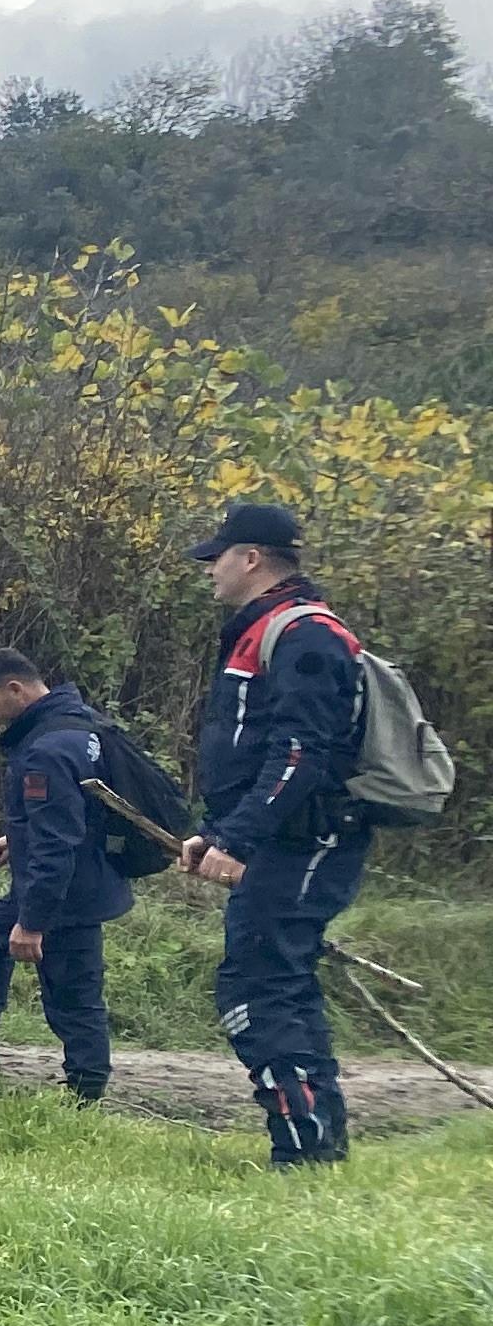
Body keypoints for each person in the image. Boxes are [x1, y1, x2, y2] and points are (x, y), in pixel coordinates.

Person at [179, 499, 376, 1165]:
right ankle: (318, 1146)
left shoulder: (306, 635)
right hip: (279, 838)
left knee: (259, 986)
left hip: (307, 841)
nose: (209, 570)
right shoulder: (264, 630)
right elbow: (254, 751)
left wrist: (239, 839)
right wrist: (216, 831)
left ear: (252, 558)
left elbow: (299, 753)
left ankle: (302, 1150)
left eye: (217, 558)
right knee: (277, 982)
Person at [0, 650, 124, 1101]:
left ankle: (86, 1092)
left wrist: (32, 923)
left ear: (16, 689)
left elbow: (57, 842)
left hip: (66, 891)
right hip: (70, 873)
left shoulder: (46, 749)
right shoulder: (78, 724)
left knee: (72, 992)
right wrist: (17, 837)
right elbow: (72, 812)